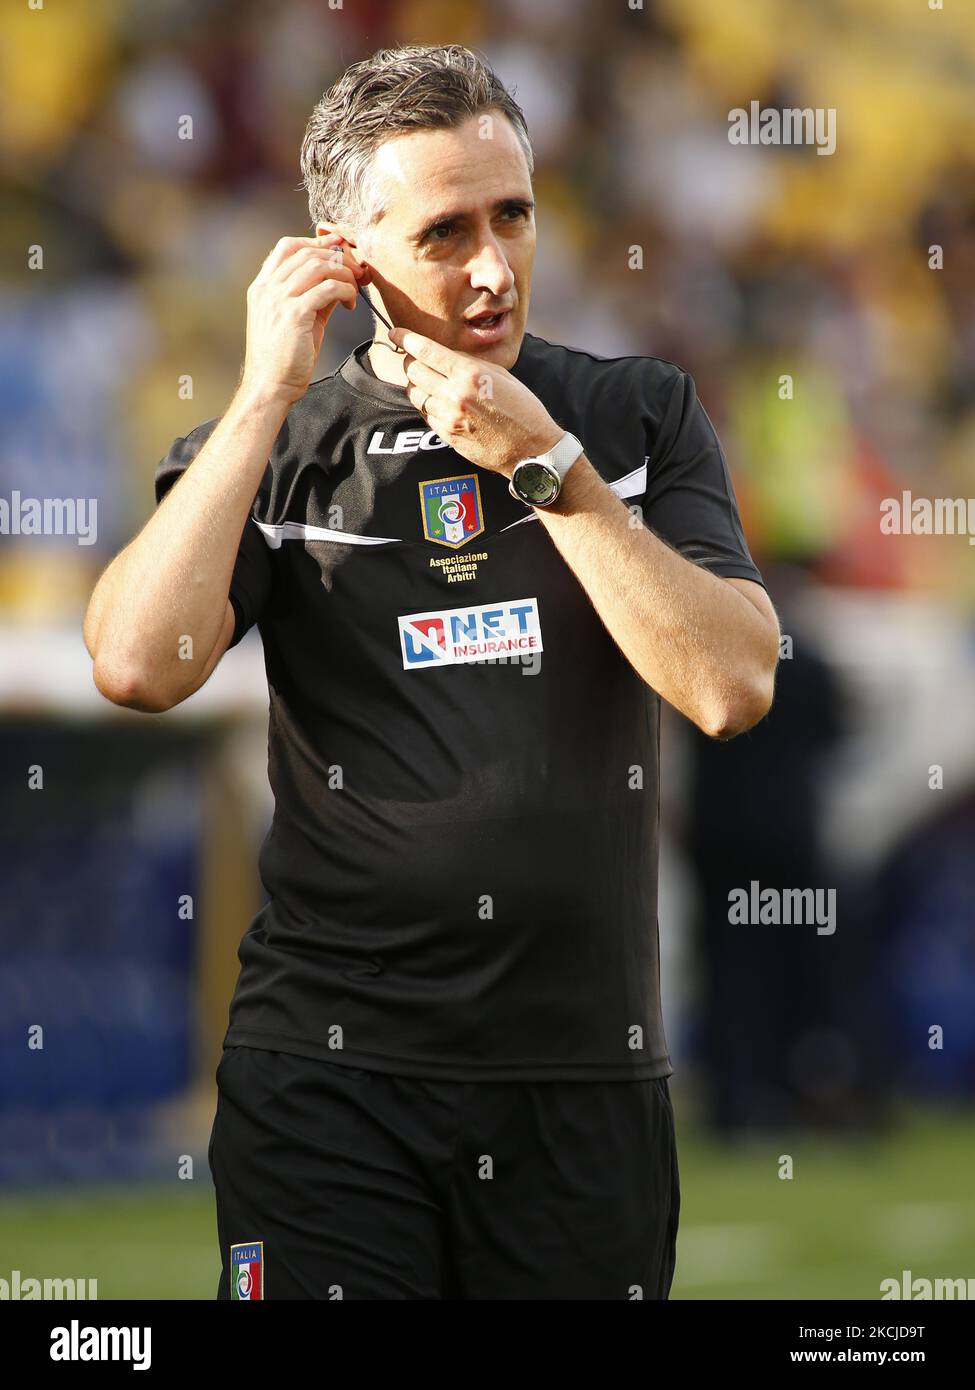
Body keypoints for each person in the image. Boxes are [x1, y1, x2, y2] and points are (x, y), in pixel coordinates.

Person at [83, 43, 779, 1300]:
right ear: (343, 254)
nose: (494, 266)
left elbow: (731, 686)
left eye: (512, 214)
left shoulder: (633, 418)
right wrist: (256, 399)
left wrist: (547, 470)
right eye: (446, 230)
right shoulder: (283, 449)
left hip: (581, 1075)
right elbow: (136, 663)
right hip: (330, 1078)